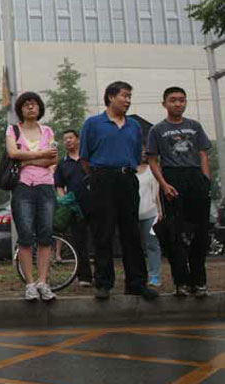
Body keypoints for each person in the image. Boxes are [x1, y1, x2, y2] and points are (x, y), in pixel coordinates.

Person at [80, 81, 158, 301]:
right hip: (102, 178)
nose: (127, 100)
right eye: (124, 95)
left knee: (131, 233)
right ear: (110, 97)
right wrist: (96, 176)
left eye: (129, 96)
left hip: (127, 178)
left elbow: (135, 155)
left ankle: (136, 283)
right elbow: (85, 157)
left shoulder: (133, 125)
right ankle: (103, 283)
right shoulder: (94, 123)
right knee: (103, 232)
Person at [147, 86, 213, 297]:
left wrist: (205, 180)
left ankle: (199, 282)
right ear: (164, 103)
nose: (178, 104)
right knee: (175, 234)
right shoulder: (157, 130)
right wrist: (164, 184)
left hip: (195, 178)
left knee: (200, 233)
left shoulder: (195, 126)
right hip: (172, 179)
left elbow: (203, 154)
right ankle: (181, 283)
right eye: (173, 100)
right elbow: (152, 160)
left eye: (182, 100)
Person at [6, 92, 58, 302]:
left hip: (46, 186)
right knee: (26, 235)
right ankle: (29, 284)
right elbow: (13, 155)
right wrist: (40, 156)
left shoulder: (47, 130)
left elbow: (53, 158)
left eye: (34, 104)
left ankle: (43, 282)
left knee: (45, 234)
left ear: (39, 108)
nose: (30, 107)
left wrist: (27, 160)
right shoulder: (13, 129)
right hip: (23, 187)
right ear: (20, 109)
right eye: (26, 104)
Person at [54, 129, 93, 287]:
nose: (68, 141)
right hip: (74, 208)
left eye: (70, 138)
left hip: (94, 204)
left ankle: (102, 275)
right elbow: (59, 185)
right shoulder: (63, 163)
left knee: (100, 239)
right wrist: (63, 199)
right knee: (79, 241)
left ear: (78, 139)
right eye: (65, 139)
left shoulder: (89, 158)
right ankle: (85, 276)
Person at [137, 150, 162, 288]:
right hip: (132, 214)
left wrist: (159, 210)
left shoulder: (152, 170)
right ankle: (139, 276)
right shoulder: (129, 170)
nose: (143, 154)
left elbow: (157, 192)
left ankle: (155, 276)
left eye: (146, 151)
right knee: (135, 247)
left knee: (152, 245)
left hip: (150, 213)